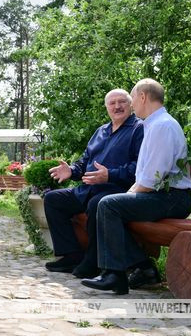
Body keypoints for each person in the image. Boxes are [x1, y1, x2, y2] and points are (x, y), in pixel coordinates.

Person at [81, 78, 191, 294]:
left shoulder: (162, 126)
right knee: (108, 205)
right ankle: (142, 268)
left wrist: (127, 195)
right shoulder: (154, 125)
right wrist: (128, 195)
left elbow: (152, 179)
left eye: (132, 98)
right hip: (163, 196)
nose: (131, 104)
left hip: (173, 198)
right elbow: (146, 176)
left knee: (108, 205)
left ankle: (114, 274)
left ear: (142, 97)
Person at [43, 89, 143, 278]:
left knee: (97, 204)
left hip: (117, 190)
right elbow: (84, 161)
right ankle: (72, 255)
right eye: (112, 103)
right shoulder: (101, 131)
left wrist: (110, 175)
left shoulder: (139, 129)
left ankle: (94, 261)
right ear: (106, 107)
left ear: (131, 105)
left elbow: (139, 167)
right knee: (52, 199)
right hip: (88, 189)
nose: (117, 106)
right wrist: (72, 170)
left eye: (122, 102)